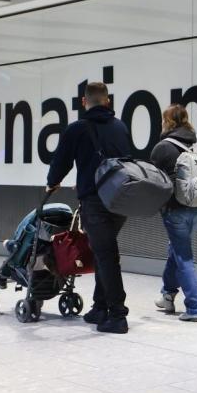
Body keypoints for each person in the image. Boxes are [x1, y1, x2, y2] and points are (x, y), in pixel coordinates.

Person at [46, 81, 133, 334]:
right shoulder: (120, 127)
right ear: (108, 101)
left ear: (84, 102)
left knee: (106, 255)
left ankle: (118, 315)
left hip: (95, 202)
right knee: (102, 252)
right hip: (120, 200)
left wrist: (52, 184)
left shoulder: (77, 129)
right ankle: (99, 307)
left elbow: (60, 162)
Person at [148, 104, 197, 322]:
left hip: (175, 210)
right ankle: (168, 295)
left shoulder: (162, 148)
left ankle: (194, 307)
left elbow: (152, 181)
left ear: (167, 121)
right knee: (176, 249)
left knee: (183, 257)